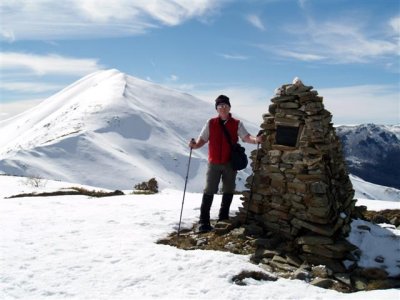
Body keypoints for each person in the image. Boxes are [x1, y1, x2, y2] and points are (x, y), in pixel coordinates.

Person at [189, 95, 263, 233]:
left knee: (228, 189)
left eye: (225, 105)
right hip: (214, 163)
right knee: (209, 190)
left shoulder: (237, 123)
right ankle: (203, 221)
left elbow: (246, 137)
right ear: (217, 109)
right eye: (220, 106)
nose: (223, 108)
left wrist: (256, 140)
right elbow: (202, 140)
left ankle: (223, 218)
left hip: (230, 163)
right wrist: (194, 145)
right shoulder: (210, 123)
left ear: (229, 107)